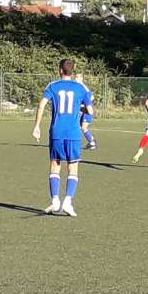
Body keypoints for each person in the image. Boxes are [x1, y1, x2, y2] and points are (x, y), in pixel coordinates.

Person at [33, 59, 94, 217]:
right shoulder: (81, 88)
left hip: (57, 132)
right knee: (73, 166)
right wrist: (78, 107)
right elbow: (90, 111)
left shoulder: (53, 86)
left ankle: (55, 201)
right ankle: (67, 202)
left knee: (55, 165)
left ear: (60, 70)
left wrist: (37, 126)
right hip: (73, 133)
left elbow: (41, 104)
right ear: (73, 71)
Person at [74, 73, 97, 150]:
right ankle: (91, 141)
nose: (75, 79)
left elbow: (91, 98)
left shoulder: (83, 88)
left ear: (81, 79)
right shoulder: (78, 87)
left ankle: (92, 143)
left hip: (88, 110)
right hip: (84, 110)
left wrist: (83, 105)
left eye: (77, 77)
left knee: (83, 127)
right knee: (79, 126)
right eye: (75, 77)